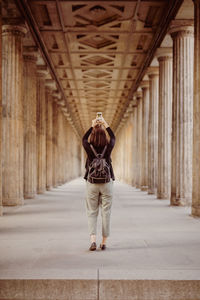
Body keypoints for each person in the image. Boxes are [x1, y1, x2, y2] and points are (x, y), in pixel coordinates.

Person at [82, 116, 115, 251]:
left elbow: (84, 139)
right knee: (106, 212)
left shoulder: (89, 147)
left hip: (92, 183)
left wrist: (92, 126)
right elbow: (113, 138)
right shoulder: (108, 147)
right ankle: (104, 242)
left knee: (91, 212)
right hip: (107, 183)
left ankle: (93, 240)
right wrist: (106, 125)